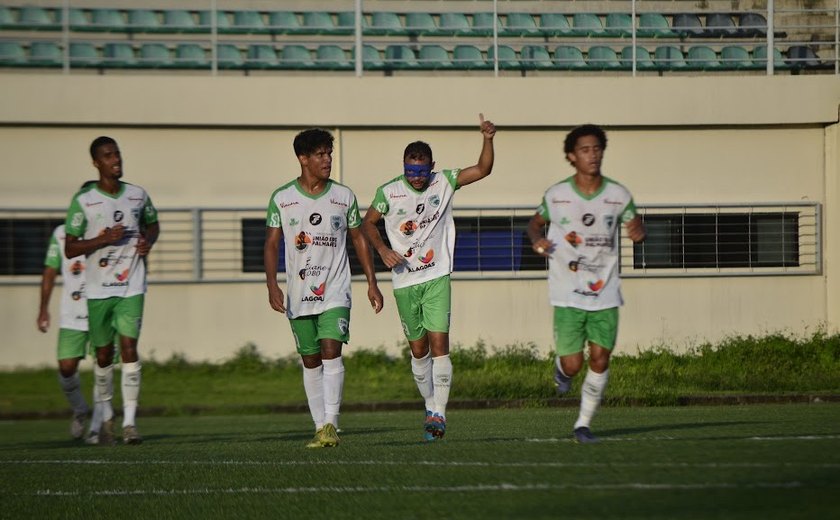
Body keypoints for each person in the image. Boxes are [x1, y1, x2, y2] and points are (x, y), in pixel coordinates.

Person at [361, 114, 496, 441]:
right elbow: (367, 224)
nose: (416, 177)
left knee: (439, 345)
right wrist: (382, 250)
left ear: (431, 167)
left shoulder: (444, 181)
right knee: (418, 350)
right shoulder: (389, 192)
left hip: (437, 276)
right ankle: (429, 403)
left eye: (421, 171)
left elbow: (482, 170)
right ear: (404, 168)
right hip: (405, 281)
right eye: (410, 171)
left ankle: (439, 413)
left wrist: (488, 139)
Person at [264, 128, 383, 449]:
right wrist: (272, 283)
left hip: (335, 289)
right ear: (303, 159)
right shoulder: (282, 198)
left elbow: (358, 238)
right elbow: (272, 243)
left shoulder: (343, 197)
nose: (327, 159)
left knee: (331, 350)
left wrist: (372, 282)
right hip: (299, 293)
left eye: (329, 153)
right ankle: (320, 427)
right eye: (320, 154)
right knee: (311, 360)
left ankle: (331, 424)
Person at [527, 124, 646, 444]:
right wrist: (538, 241)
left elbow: (636, 225)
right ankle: (562, 372)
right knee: (573, 363)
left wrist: (639, 232)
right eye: (585, 150)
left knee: (601, 358)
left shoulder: (618, 195)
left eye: (597, 149)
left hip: (605, 290)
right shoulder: (556, 195)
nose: (592, 155)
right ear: (571, 156)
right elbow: (534, 225)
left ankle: (583, 424)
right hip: (567, 290)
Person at [64, 136, 159, 445]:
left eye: (117, 153)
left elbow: (153, 224)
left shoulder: (137, 195)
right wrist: (102, 239)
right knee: (103, 355)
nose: (115, 159)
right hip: (97, 290)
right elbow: (70, 247)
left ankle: (130, 424)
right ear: (96, 162)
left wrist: (148, 241)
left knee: (129, 348)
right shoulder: (84, 201)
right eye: (108, 155)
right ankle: (106, 417)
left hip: (131, 285)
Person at [37, 213, 106, 444]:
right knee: (66, 368)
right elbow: (49, 270)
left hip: (102, 311)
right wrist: (43, 308)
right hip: (72, 315)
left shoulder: (108, 231)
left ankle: (97, 427)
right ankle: (79, 409)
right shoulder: (60, 233)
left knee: (102, 368)